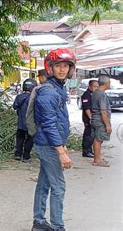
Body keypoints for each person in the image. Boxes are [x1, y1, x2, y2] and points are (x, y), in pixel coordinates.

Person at [31, 48, 75, 231]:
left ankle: (39, 221)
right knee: (59, 187)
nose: (62, 69)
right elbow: (49, 124)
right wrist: (61, 151)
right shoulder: (49, 92)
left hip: (49, 144)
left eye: (66, 66)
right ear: (50, 68)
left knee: (44, 183)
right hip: (49, 146)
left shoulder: (58, 88)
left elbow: (57, 122)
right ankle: (58, 226)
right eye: (58, 66)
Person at [13, 78, 37, 162]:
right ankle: (26, 156)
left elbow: (15, 107)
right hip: (30, 123)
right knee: (30, 139)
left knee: (20, 138)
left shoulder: (19, 97)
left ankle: (18, 154)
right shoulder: (34, 98)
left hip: (20, 123)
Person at [91, 75, 112, 167]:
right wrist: (107, 125)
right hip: (100, 120)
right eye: (109, 83)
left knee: (97, 139)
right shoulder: (102, 94)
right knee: (99, 140)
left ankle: (98, 157)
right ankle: (97, 160)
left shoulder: (95, 92)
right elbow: (103, 111)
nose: (110, 84)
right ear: (106, 83)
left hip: (95, 118)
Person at [80, 79, 98, 158]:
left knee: (92, 136)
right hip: (88, 119)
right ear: (90, 86)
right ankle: (86, 152)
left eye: (97, 87)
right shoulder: (86, 95)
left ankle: (89, 150)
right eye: (94, 87)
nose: (96, 88)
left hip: (93, 118)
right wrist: (91, 118)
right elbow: (86, 108)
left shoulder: (93, 94)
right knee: (88, 135)